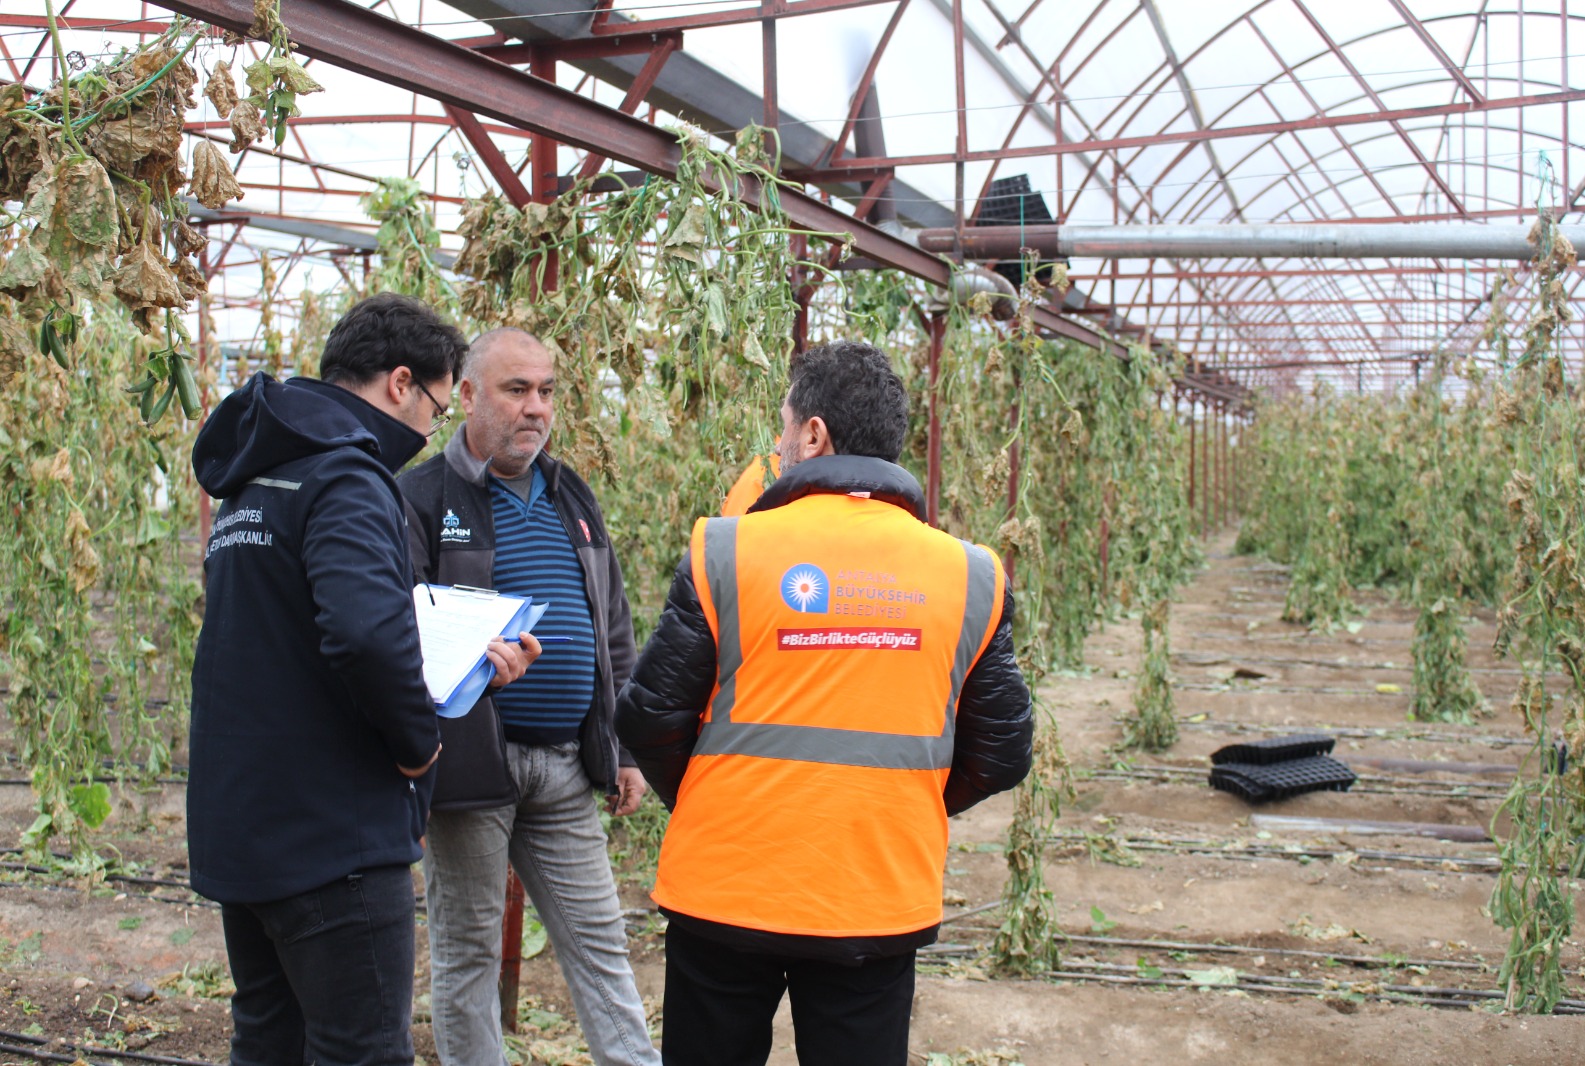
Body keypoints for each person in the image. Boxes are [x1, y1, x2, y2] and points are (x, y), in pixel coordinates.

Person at [616, 339, 1035, 1066]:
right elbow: (1002, 752)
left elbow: (649, 715)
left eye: (784, 429)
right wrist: (902, 801)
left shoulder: (726, 550)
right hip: (873, 892)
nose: (779, 448)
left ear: (813, 434)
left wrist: (719, 797)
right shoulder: (969, 574)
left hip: (725, 886)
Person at [188, 293, 538, 1066]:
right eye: (437, 409)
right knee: (362, 1049)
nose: (426, 434)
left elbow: (283, 632)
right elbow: (360, 634)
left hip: (246, 819)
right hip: (330, 835)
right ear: (400, 383)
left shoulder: (256, 477)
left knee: (269, 1039)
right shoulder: (347, 475)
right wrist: (418, 747)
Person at [398, 328, 660, 1066]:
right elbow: (396, 630)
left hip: (566, 767)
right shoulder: (421, 495)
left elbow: (612, 626)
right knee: (468, 952)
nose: (536, 408)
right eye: (517, 391)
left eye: (546, 391)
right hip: (473, 764)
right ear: (470, 396)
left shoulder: (571, 492)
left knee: (600, 941)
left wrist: (625, 747)